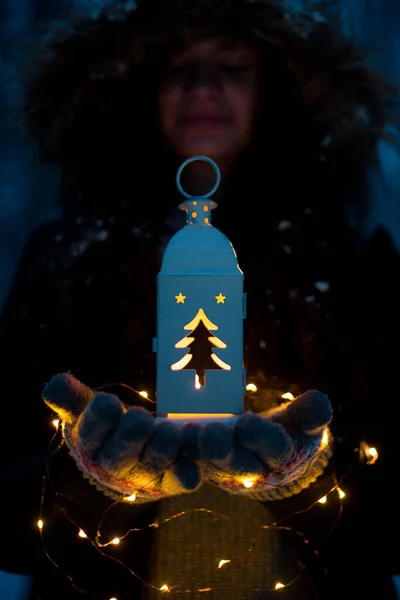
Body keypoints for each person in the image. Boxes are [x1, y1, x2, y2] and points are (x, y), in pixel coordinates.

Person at [0, 0, 399, 598]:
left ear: (274, 89)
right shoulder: (67, 259)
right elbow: (8, 517)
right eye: (179, 66)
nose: (203, 88)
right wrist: (87, 481)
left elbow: (393, 519)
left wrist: (310, 477)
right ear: (140, 87)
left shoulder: (349, 261)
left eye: (232, 67)